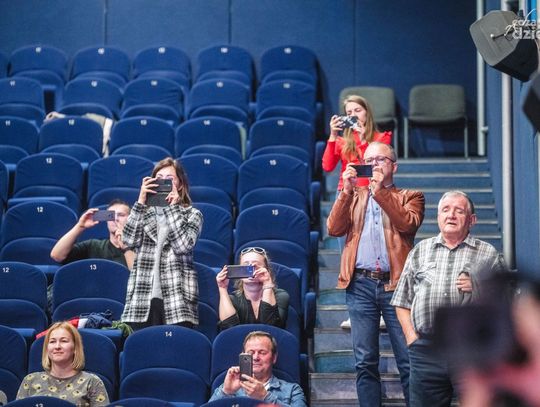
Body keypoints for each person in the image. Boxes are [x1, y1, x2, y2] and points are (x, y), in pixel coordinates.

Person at [326, 142, 425, 406]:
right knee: (365, 361)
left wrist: (380, 192)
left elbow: (407, 224)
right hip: (360, 284)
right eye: (369, 160)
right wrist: (346, 192)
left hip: (398, 287)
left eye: (380, 159)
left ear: (394, 166)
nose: (374, 164)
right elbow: (334, 229)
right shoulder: (354, 195)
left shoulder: (411, 196)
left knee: (408, 359)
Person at [391, 190, 507, 407]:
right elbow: (402, 301)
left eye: (459, 211)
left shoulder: (488, 254)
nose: (451, 215)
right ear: (438, 217)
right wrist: (412, 338)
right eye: (445, 210)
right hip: (426, 350)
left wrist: (478, 286)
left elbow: (505, 304)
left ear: (472, 220)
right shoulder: (420, 251)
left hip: (472, 351)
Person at [322, 94, 392, 329]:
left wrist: (363, 139)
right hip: (349, 198)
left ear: (367, 112)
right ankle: (355, 312)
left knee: (377, 252)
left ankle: (382, 309)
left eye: (357, 111)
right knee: (350, 255)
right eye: (349, 112)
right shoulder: (343, 141)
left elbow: (375, 166)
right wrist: (333, 136)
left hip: (375, 196)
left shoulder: (381, 139)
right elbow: (327, 166)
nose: (353, 115)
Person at [121, 157, 203, 330]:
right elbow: (128, 241)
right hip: (142, 296)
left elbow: (183, 246)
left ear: (180, 185)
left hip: (177, 297)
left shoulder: (193, 214)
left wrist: (173, 207)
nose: (163, 182)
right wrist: (141, 201)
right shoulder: (143, 212)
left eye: (169, 178)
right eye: (158, 178)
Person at [16, 321, 109, 406]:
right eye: (52, 342)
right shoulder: (30, 380)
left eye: (64, 341)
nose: (57, 346)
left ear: (75, 348)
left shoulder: (91, 382)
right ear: (47, 349)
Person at [209, 330, 307, 406]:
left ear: (274, 358)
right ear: (243, 356)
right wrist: (226, 392)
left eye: (262, 352)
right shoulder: (229, 387)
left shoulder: (292, 390)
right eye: (251, 353)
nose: (256, 357)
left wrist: (265, 396)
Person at [216, 247, 289, 329]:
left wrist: (267, 284)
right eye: (246, 266)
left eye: (256, 266)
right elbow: (229, 329)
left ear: (267, 270)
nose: (250, 270)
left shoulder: (280, 296)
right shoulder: (232, 299)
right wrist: (222, 288)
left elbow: (270, 326)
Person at [50, 199, 134, 269]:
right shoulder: (94, 246)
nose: (115, 219)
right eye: (110, 216)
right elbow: (57, 255)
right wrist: (80, 226)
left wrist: (126, 246)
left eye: (121, 215)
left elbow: (138, 277)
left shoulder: (139, 248)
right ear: (107, 221)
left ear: (131, 219)